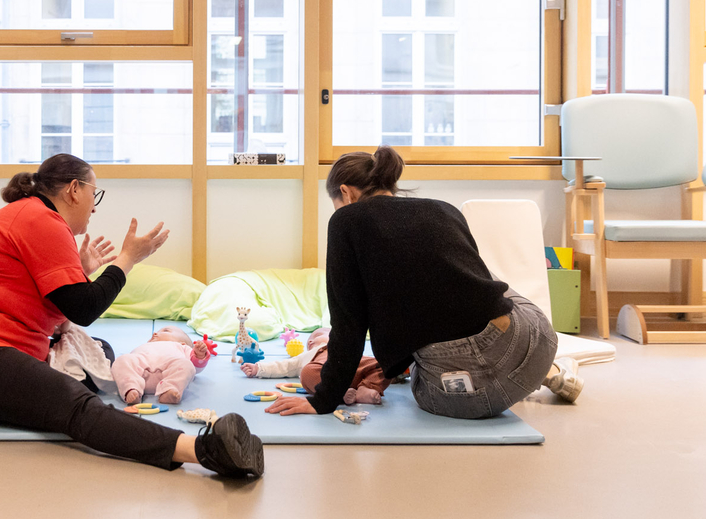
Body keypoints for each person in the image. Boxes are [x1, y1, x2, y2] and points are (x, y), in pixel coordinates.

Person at [0, 153, 264, 478]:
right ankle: (202, 450)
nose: (94, 208)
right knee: (75, 406)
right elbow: (86, 308)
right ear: (74, 190)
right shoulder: (41, 218)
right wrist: (128, 258)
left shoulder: (31, 216)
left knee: (100, 351)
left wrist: (78, 269)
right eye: (95, 193)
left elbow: (57, 305)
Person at [265, 147, 583, 420]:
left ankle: (526, 375)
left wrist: (322, 401)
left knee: (417, 381)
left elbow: (349, 324)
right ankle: (549, 372)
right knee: (480, 280)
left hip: (478, 390)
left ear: (346, 193)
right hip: (536, 337)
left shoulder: (347, 220)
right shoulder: (441, 208)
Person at [240, 327, 392, 405]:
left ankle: (367, 388)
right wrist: (258, 368)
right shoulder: (309, 355)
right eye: (327, 333)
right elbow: (283, 366)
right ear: (311, 343)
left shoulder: (345, 347)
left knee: (382, 364)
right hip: (324, 372)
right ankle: (340, 393)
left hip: (350, 365)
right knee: (307, 373)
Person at [112, 326, 211, 405]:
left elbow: (196, 368)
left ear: (182, 342)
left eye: (166, 330)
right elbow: (130, 364)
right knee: (122, 360)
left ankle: (170, 389)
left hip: (168, 375)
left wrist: (199, 354)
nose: (155, 333)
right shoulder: (144, 346)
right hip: (141, 375)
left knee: (187, 365)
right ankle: (131, 388)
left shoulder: (182, 347)